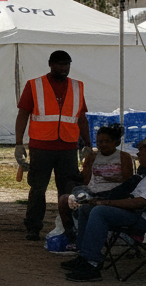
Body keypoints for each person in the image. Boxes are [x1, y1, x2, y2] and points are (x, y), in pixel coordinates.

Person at [62, 136, 146, 281]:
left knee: (100, 212)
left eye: (141, 151)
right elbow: (133, 198)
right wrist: (101, 200)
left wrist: (106, 203)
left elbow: (139, 203)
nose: (138, 155)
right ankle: (84, 256)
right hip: (141, 213)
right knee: (86, 208)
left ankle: (92, 265)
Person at [15, 50, 90, 241]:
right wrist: (18, 143)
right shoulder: (34, 85)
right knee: (38, 189)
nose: (63, 68)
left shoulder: (77, 86)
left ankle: (69, 227)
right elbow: (23, 114)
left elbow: (81, 118)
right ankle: (33, 227)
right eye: (59, 64)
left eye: (66, 64)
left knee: (68, 190)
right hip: (41, 146)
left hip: (68, 147)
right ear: (50, 64)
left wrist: (87, 144)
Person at [57, 123, 132, 240]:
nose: (103, 145)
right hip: (92, 193)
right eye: (99, 142)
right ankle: (70, 233)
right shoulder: (92, 156)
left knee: (89, 205)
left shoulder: (124, 157)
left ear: (115, 142)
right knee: (64, 200)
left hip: (114, 195)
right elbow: (86, 181)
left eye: (107, 141)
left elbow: (128, 182)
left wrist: (110, 179)